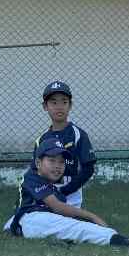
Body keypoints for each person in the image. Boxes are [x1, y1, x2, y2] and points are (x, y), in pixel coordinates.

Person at [6, 142, 129, 248]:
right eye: (52, 160)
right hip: (32, 220)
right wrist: (92, 217)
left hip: (35, 222)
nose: (57, 166)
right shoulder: (32, 176)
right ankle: (128, 242)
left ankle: (59, 241)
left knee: (75, 227)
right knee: (78, 227)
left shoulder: (52, 187)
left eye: (61, 162)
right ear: (38, 163)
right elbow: (57, 207)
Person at [36, 80, 96, 208]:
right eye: (53, 102)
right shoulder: (42, 139)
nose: (59, 106)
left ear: (70, 105)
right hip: (47, 198)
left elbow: (88, 169)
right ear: (45, 106)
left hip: (71, 200)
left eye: (64, 102)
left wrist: (65, 191)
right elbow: (35, 171)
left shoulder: (78, 135)